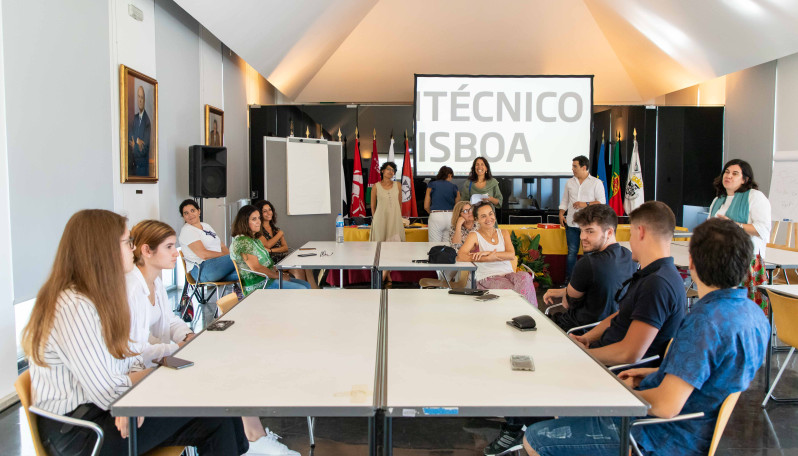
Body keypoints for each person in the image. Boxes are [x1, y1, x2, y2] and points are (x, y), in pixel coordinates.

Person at [523, 218, 770, 456]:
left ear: (692, 262)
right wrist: (656, 373)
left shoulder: (705, 323)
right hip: (695, 427)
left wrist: (621, 392)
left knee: (534, 439)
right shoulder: (754, 314)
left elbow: (665, 405)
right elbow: (714, 375)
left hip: (657, 435)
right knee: (571, 411)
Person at [22, 209, 247, 455]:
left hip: (102, 411)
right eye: (127, 242)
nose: (133, 248)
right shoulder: (74, 306)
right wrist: (143, 389)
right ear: (102, 249)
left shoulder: (96, 297)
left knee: (215, 407)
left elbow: (127, 359)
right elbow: (109, 391)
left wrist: (156, 373)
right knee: (212, 409)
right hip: (81, 432)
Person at [127, 219, 299, 456]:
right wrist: (175, 347)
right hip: (148, 367)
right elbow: (136, 349)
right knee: (220, 376)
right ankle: (254, 440)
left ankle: (253, 439)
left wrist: (187, 335)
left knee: (230, 366)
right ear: (147, 251)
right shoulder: (132, 289)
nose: (176, 253)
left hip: (162, 356)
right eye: (169, 247)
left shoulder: (154, 280)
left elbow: (170, 321)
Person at [569, 201, 685, 366]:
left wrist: (582, 355)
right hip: (604, 356)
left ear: (641, 232)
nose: (630, 241)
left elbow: (629, 353)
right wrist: (587, 337)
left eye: (630, 234)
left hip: (616, 372)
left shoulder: (657, 284)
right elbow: (621, 315)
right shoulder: (654, 274)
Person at [544, 204, 637, 331]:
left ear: (609, 232)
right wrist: (561, 292)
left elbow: (567, 304)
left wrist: (564, 293)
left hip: (578, 332)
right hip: (614, 329)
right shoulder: (629, 256)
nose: (582, 236)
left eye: (590, 231)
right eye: (582, 230)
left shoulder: (588, 263)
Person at [708, 158, 771, 312]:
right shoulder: (719, 199)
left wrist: (736, 226)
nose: (728, 176)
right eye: (727, 172)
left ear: (745, 179)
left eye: (735, 173)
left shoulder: (755, 196)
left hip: (745, 260)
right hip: (720, 259)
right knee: (724, 309)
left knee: (746, 309)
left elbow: (763, 229)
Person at [457, 202, 537, 306]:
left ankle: (527, 311)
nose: (489, 219)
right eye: (483, 216)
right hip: (488, 278)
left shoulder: (503, 233)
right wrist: (485, 258)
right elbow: (460, 256)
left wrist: (489, 253)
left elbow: (511, 255)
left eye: (491, 214)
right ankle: (524, 312)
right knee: (511, 289)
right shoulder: (474, 235)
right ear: (477, 219)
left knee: (526, 277)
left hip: (508, 274)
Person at [230, 205, 311, 294]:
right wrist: (278, 276)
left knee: (306, 285)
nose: (258, 222)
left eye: (259, 218)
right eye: (254, 219)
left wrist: (279, 272)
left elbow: (266, 263)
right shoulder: (243, 242)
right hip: (259, 285)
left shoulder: (255, 240)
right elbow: (256, 268)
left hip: (268, 278)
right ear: (244, 222)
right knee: (301, 289)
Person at [559, 155, 606, 283]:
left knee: (589, 254)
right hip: (572, 224)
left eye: (575, 166)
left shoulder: (596, 183)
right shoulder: (570, 182)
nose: (572, 169)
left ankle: (588, 282)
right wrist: (561, 213)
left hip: (588, 225)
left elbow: (602, 202)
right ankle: (569, 282)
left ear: (584, 167)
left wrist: (585, 204)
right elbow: (564, 200)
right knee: (571, 253)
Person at [254, 200, 318, 289]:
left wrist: (272, 250)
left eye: (270, 210)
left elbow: (285, 248)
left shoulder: (275, 229)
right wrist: (280, 234)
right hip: (273, 262)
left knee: (305, 267)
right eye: (265, 211)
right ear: (260, 214)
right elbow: (267, 245)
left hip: (284, 258)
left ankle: (313, 291)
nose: (269, 213)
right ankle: (304, 293)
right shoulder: (258, 230)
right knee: (297, 270)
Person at [178, 199, 238, 284]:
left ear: (199, 211)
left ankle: (238, 290)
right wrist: (226, 257)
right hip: (201, 270)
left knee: (248, 273)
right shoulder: (187, 230)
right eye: (186, 213)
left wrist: (226, 257)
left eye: (192, 211)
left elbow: (222, 246)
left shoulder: (206, 226)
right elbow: (204, 255)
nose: (190, 215)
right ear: (183, 217)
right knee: (239, 256)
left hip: (217, 266)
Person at [424, 165, 460, 242]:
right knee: (447, 245)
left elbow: (426, 205)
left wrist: (431, 212)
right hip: (451, 216)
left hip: (436, 215)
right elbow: (458, 205)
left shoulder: (432, 185)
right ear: (449, 175)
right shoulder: (454, 187)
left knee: (434, 245)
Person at [128, 85, 151, 176]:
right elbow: (129, 135)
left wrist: (135, 145)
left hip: (142, 171)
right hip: (133, 168)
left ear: (144, 100)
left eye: (142, 97)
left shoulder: (147, 121)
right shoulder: (135, 118)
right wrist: (138, 141)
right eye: (138, 97)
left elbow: (144, 149)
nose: (140, 100)